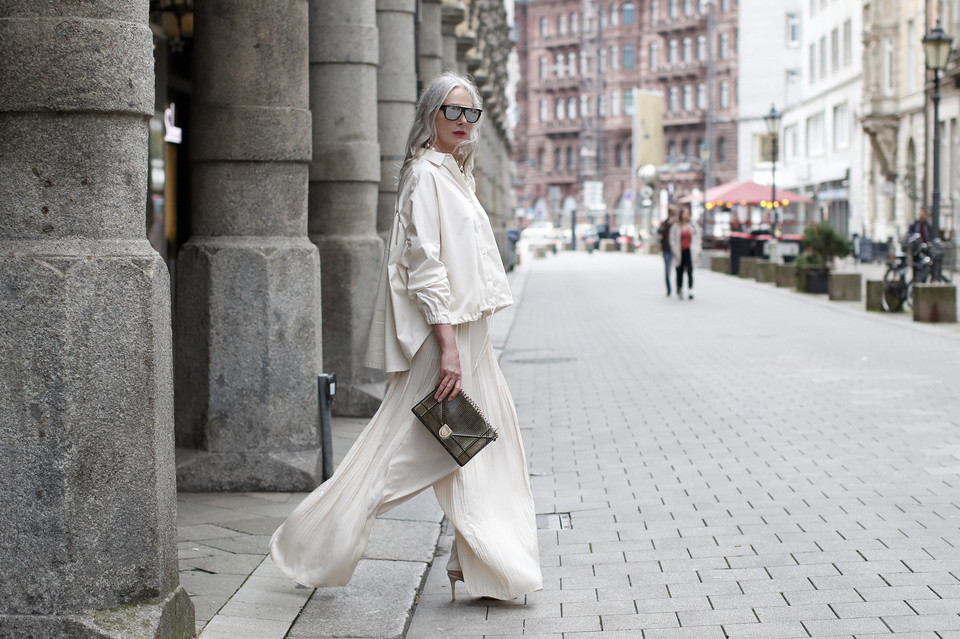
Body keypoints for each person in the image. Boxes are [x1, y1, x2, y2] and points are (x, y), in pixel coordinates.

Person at [269, 71, 542, 602]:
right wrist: (448, 348)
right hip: (448, 336)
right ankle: (314, 539)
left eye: (471, 112)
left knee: (487, 448)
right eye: (452, 111)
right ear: (430, 116)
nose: (463, 121)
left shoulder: (455, 175)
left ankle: (487, 566)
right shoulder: (424, 175)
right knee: (402, 452)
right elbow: (425, 266)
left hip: (470, 334)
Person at [669, 207, 701, 300]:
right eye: (684, 213)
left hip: (689, 251)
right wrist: (674, 249)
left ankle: (691, 289)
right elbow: (672, 239)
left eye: (687, 214)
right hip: (679, 251)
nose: (685, 216)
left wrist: (696, 248)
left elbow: (697, 237)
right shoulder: (676, 226)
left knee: (690, 271)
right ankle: (680, 289)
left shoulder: (692, 225)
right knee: (680, 271)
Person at [657, 208, 676, 296]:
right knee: (667, 269)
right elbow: (660, 232)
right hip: (667, 249)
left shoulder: (677, 224)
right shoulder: (665, 223)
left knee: (678, 269)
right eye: (671, 213)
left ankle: (679, 287)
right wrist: (668, 224)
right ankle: (669, 288)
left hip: (676, 249)